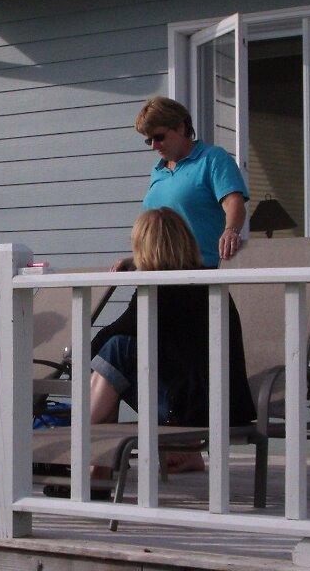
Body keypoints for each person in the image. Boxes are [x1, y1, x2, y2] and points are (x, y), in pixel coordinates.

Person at [86, 208, 255, 477]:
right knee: (117, 362)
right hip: (224, 406)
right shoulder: (204, 281)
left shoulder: (161, 290)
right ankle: (100, 470)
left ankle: (75, 445)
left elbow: (104, 341)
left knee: (118, 351)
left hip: (197, 412)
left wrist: (75, 361)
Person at [117, 97, 249, 271]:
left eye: (159, 137)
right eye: (149, 140)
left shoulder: (212, 159)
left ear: (180, 127)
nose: (154, 146)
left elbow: (233, 202)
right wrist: (137, 259)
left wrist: (231, 230)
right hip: (159, 272)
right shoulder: (158, 171)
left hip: (202, 269)